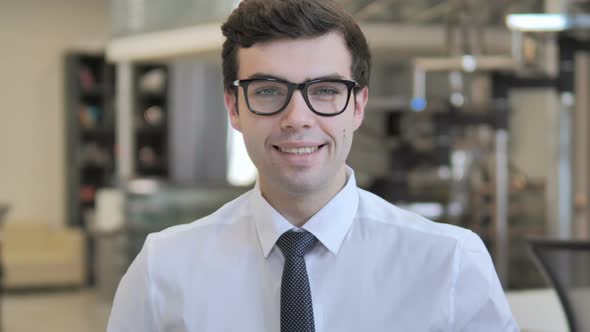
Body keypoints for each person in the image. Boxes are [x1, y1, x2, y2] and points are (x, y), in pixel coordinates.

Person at [107, 0, 519, 331]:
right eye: (268, 91)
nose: (297, 118)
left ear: (357, 106)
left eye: (324, 90)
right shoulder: (164, 268)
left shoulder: (449, 262)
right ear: (234, 107)